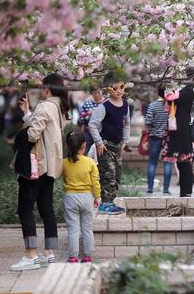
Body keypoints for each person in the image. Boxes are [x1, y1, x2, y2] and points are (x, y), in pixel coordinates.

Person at [11, 73, 69, 272]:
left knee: (25, 208)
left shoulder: (45, 106)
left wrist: (18, 137)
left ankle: (31, 254)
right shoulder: (59, 109)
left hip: (37, 166)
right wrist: (27, 113)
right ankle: (49, 253)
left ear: (47, 88)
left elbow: (33, 134)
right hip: (51, 167)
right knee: (46, 209)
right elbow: (43, 129)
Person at [88, 74, 130, 215]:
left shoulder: (125, 105)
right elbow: (92, 125)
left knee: (117, 174)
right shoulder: (104, 106)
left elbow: (126, 124)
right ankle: (105, 204)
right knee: (107, 174)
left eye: (122, 87)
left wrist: (125, 140)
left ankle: (111, 202)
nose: (119, 91)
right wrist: (99, 142)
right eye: (115, 88)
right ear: (108, 89)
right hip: (105, 145)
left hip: (118, 145)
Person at [62, 130, 100, 263]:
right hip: (86, 197)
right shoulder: (90, 162)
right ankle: (87, 256)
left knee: (73, 229)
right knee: (87, 229)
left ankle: (73, 257)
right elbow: (95, 182)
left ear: (68, 146)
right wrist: (97, 197)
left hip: (70, 197)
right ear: (84, 146)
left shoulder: (64, 163)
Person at [163, 67, 194, 197]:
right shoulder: (182, 89)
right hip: (177, 130)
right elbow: (163, 92)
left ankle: (187, 190)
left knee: (185, 160)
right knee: (180, 160)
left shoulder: (188, 90)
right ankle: (184, 190)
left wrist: (170, 86)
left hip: (182, 130)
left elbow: (172, 98)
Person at [145, 85, 171, 194]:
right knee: (167, 163)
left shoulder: (153, 105)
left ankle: (150, 188)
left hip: (154, 137)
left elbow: (148, 121)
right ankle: (166, 189)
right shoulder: (171, 106)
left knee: (152, 163)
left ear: (157, 92)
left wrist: (153, 126)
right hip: (168, 138)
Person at [78, 87, 105, 153]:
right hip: (88, 133)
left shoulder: (106, 102)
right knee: (88, 151)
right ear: (91, 93)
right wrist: (88, 114)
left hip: (103, 132)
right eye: (94, 93)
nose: (96, 94)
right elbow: (81, 120)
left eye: (98, 92)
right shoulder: (87, 104)